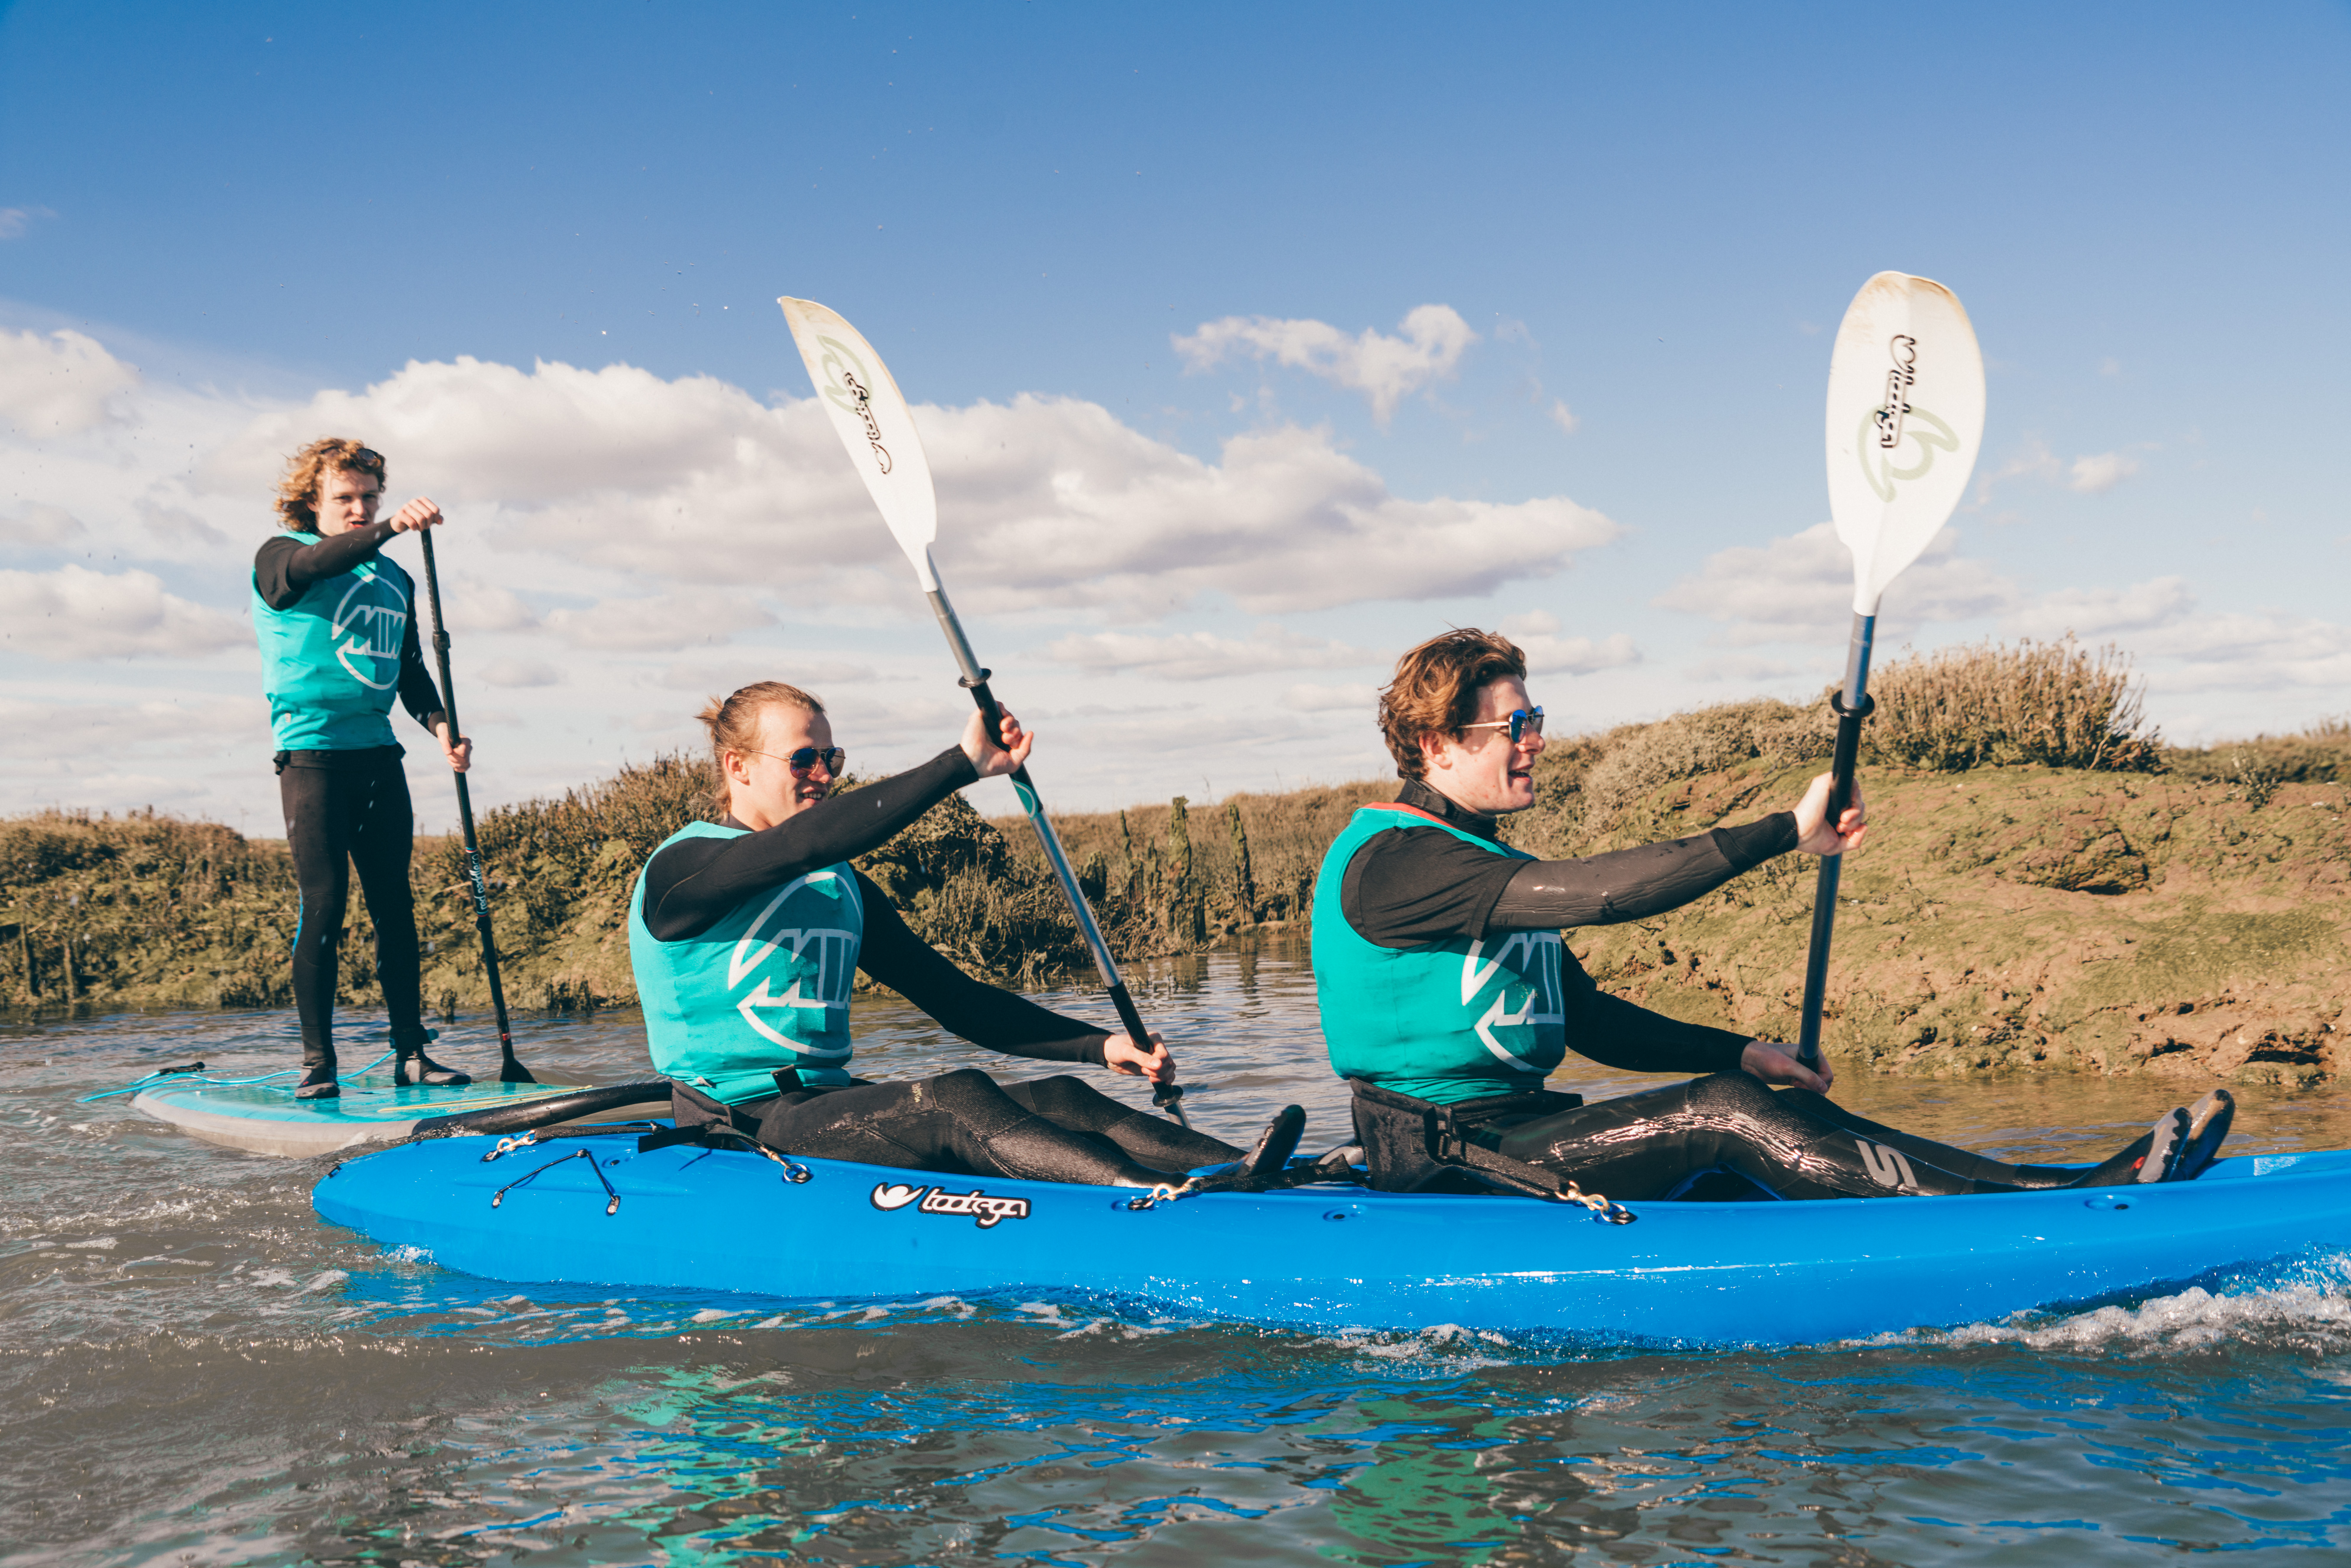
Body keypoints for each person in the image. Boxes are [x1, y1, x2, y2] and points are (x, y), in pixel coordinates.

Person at [1312, 628, 2232, 1200]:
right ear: (1436, 745)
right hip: (1447, 1164)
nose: (1537, 740)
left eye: (1534, 715)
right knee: (1721, 1116)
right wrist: (1787, 831)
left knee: (1751, 1096)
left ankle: (2059, 1186)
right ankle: (2037, 1221)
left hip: (1514, 1138)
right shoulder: (1396, 863)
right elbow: (1601, 893)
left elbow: (1588, 1019)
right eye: (1513, 726)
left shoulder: (1482, 860)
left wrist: (1740, 1051)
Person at [627, 681, 1256, 1187]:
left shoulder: (837, 885)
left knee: (1063, 1098)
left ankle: (1258, 1174)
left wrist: (1099, 1047)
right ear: (736, 766)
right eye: (802, 759)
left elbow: (957, 1000)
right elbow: (801, 843)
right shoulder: (684, 871)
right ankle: (1158, 1198)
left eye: (831, 758)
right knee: (954, 1097)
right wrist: (962, 765)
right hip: (738, 1124)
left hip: (820, 1103)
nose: (822, 774)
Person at [250, 438, 473, 1099]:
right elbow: (318, 562)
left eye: (368, 498)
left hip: (379, 760)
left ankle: (412, 1053)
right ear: (311, 504)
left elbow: (407, 669)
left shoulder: (394, 580)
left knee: (395, 908)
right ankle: (319, 1065)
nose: (358, 509)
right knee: (324, 906)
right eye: (343, 499)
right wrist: (390, 528)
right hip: (313, 759)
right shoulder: (281, 557)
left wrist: (441, 728)